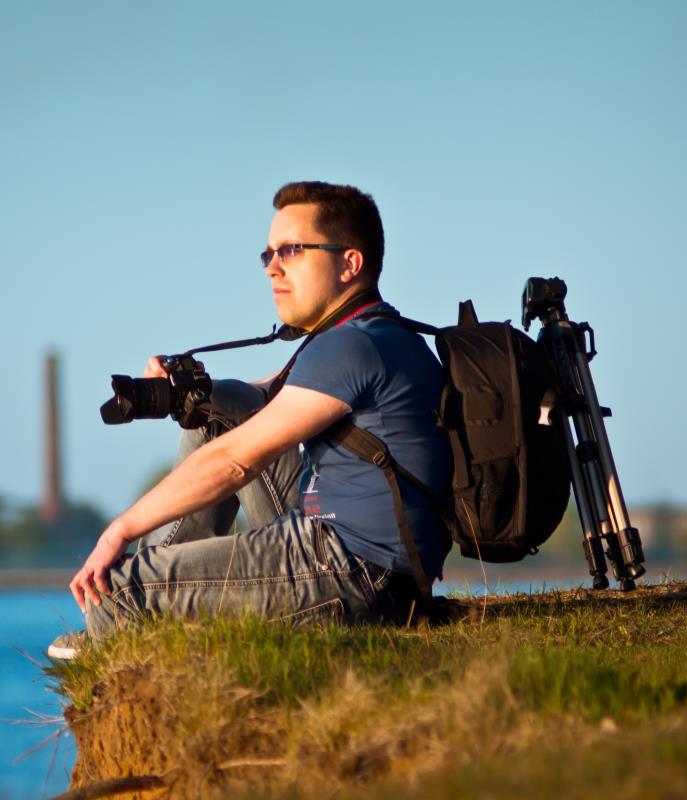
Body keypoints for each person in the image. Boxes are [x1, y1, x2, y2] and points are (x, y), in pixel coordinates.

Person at [49, 181, 450, 659]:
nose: (273, 269)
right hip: (365, 560)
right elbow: (259, 397)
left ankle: (135, 601)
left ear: (350, 263)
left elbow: (234, 461)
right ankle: (155, 585)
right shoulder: (370, 333)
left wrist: (119, 530)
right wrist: (191, 393)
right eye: (268, 255)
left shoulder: (349, 346)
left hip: (355, 572)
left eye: (293, 251)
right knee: (217, 417)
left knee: (116, 593)